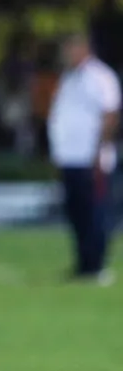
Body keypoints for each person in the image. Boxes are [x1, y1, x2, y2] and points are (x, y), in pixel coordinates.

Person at [47, 32, 120, 284]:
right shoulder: (69, 78)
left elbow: (110, 114)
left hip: (91, 158)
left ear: (83, 49)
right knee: (76, 212)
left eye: (70, 48)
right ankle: (83, 264)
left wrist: (99, 152)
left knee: (95, 212)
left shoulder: (101, 77)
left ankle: (97, 265)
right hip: (70, 157)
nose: (66, 54)